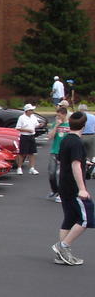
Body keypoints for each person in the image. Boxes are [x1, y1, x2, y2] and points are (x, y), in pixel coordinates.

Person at [52, 111, 92, 265]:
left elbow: (66, 161)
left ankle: (61, 256)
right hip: (73, 187)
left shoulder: (67, 140)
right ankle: (62, 246)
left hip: (64, 185)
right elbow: (75, 164)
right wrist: (82, 189)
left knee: (69, 219)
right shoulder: (76, 142)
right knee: (86, 218)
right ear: (84, 125)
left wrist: (84, 163)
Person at [48, 106, 70, 200]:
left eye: (59, 115)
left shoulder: (69, 125)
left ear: (64, 114)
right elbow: (50, 137)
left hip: (64, 153)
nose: (58, 117)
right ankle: (55, 190)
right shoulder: (55, 124)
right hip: (54, 151)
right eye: (57, 115)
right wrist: (56, 126)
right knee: (52, 173)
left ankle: (61, 194)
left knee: (61, 174)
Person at [15, 103, 41, 174]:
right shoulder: (21, 117)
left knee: (32, 153)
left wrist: (39, 125)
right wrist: (27, 130)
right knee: (22, 153)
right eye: (31, 110)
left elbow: (36, 125)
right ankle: (19, 168)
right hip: (24, 136)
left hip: (31, 136)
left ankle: (32, 168)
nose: (32, 111)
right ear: (27, 111)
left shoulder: (33, 117)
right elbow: (18, 128)